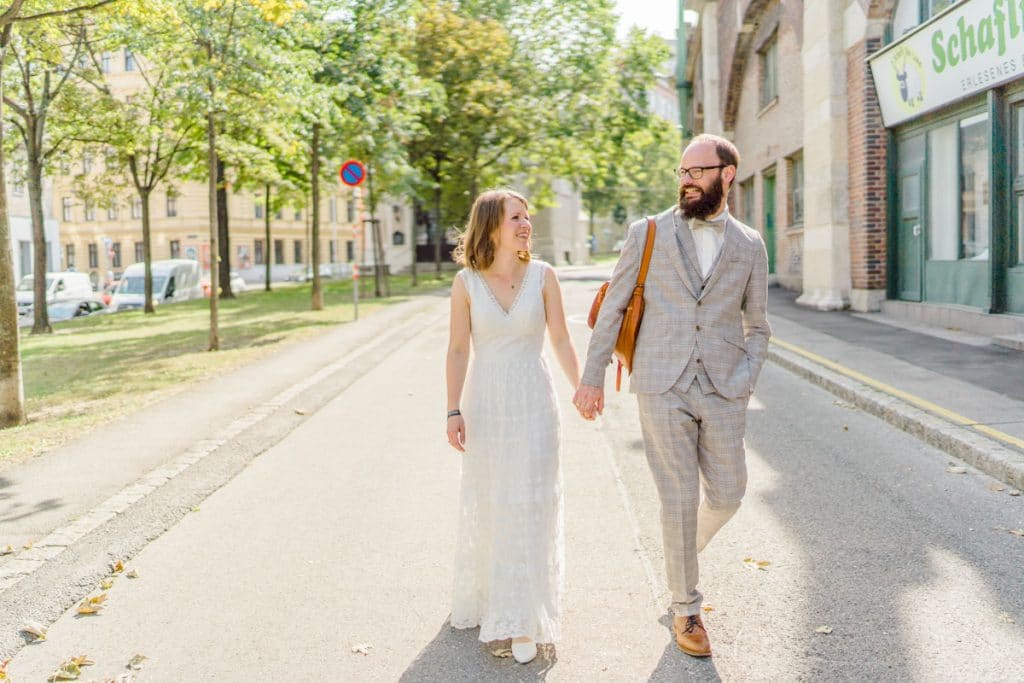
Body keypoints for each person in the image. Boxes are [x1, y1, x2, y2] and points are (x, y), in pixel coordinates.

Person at [574, 134, 771, 657]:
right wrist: (591, 377)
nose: (685, 180)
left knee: (729, 494)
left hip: (725, 385)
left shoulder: (750, 244)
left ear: (726, 175)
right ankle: (686, 608)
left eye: (696, 171)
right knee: (678, 499)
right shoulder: (650, 232)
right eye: (680, 172)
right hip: (661, 383)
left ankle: (684, 552)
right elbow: (614, 307)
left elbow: (759, 326)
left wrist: (746, 377)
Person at [445, 189, 582, 665]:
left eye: (527, 216)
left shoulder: (544, 276)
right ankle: (494, 598)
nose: (526, 224)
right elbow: (459, 349)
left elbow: (561, 338)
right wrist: (452, 409)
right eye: (515, 217)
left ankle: (524, 616)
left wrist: (583, 386)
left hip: (534, 404)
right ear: (491, 225)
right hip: (487, 405)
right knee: (495, 501)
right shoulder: (465, 283)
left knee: (531, 502)